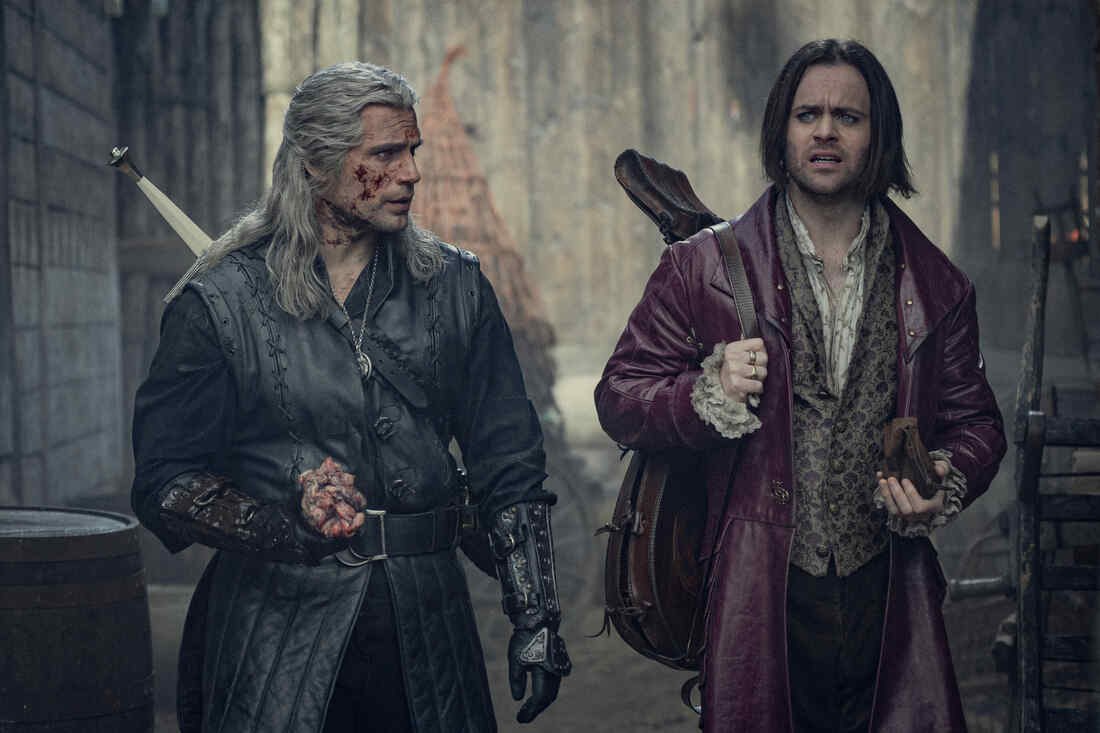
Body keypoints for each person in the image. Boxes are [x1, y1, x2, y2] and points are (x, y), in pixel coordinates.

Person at [131, 62, 570, 733]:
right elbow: (165, 479)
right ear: (315, 164)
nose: (411, 172)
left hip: (430, 631)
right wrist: (283, 524)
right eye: (385, 155)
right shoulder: (218, 303)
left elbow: (507, 460)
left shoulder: (456, 288)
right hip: (274, 637)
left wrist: (536, 617)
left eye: (412, 151)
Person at [595, 39, 1005, 732]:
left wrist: (942, 475)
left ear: (878, 135)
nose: (825, 131)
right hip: (756, 592)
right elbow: (619, 395)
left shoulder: (936, 284)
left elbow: (979, 425)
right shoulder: (702, 269)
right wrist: (705, 392)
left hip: (888, 591)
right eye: (807, 114)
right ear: (781, 132)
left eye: (849, 117)